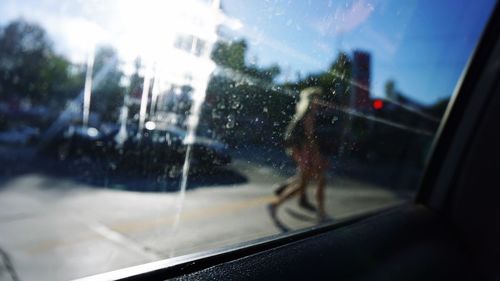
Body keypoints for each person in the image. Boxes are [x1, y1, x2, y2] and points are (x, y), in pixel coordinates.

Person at [269, 87, 330, 220]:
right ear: (312, 100)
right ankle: (320, 212)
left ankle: (277, 202)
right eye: (318, 99)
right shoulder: (308, 115)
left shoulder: (304, 113)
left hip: (303, 153)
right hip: (306, 154)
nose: (320, 102)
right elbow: (309, 139)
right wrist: (317, 156)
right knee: (315, 181)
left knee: (311, 181)